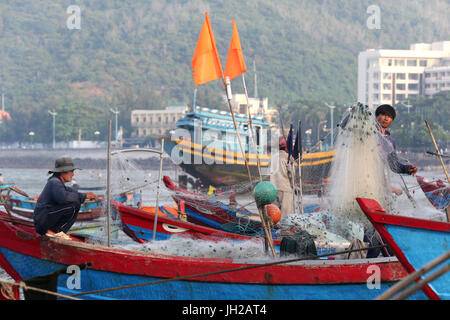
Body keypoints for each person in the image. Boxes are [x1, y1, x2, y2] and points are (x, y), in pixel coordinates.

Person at [33, 157, 99, 239]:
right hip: (42, 223)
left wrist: (85, 196)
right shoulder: (54, 182)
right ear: (63, 172)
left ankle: (55, 231)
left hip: (42, 221)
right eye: (71, 171)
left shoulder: (57, 182)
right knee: (74, 205)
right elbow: (63, 198)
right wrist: (84, 196)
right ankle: (53, 232)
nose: (73, 174)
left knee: (75, 202)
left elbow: (72, 192)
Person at [375, 104, 418, 176]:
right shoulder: (367, 133)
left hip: (377, 177)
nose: (386, 118)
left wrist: (407, 168)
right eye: (383, 115)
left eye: (389, 116)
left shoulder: (390, 142)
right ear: (376, 116)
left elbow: (394, 166)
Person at [270, 139, 294, 218]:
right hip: (284, 188)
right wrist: (293, 185)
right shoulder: (287, 157)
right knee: (285, 213)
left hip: (272, 189)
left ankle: (274, 228)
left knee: (274, 213)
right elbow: (292, 174)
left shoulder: (273, 157)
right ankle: (284, 229)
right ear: (286, 148)